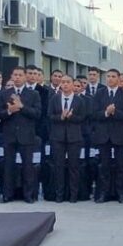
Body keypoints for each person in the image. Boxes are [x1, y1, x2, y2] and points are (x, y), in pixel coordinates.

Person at [0, 66, 41, 203]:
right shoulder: (4, 93)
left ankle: (28, 195)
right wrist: (9, 111)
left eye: (20, 75)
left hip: (27, 135)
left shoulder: (33, 94)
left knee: (28, 167)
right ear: (11, 76)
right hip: (9, 135)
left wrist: (22, 107)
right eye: (15, 75)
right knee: (8, 166)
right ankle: (7, 194)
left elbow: (37, 114)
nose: (17, 77)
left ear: (25, 77)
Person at [91, 69, 123, 203]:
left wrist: (114, 112)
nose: (110, 79)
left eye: (113, 76)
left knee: (120, 166)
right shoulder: (100, 94)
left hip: (120, 134)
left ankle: (120, 193)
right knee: (104, 166)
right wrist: (106, 113)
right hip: (103, 135)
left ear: (118, 78)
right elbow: (94, 114)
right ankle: (104, 193)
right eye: (108, 76)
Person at [48, 74, 89, 202]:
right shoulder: (54, 98)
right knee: (58, 167)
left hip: (74, 137)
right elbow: (49, 115)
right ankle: (59, 195)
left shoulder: (80, 100)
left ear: (73, 84)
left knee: (74, 167)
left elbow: (83, 117)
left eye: (67, 82)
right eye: (63, 82)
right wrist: (60, 117)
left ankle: (74, 195)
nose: (65, 84)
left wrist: (71, 116)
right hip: (58, 137)